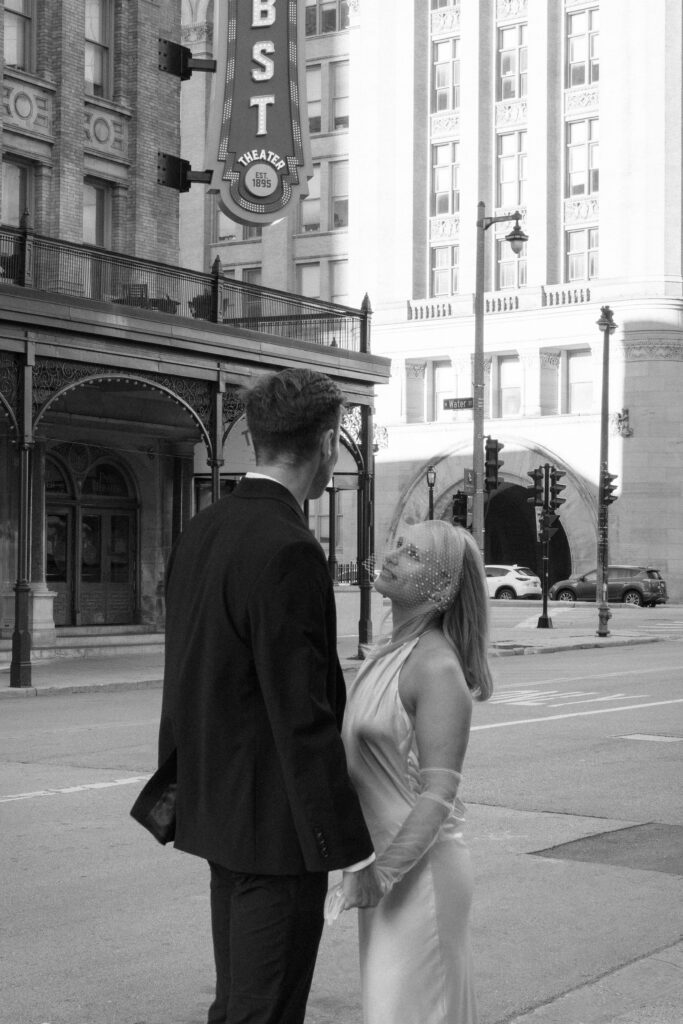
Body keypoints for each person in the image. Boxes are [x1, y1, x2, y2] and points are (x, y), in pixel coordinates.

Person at [158, 368, 381, 1024]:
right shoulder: (289, 547)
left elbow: (186, 673)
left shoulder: (202, 530)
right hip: (276, 832)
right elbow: (302, 710)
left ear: (253, 440)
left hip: (217, 810)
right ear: (326, 447)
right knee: (263, 1012)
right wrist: (350, 848)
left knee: (238, 1007)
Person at [326, 519, 493, 1024]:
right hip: (384, 870)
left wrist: (382, 872)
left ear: (442, 588)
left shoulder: (436, 668)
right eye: (398, 545)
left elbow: (439, 794)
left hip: (416, 877)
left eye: (414, 554)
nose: (393, 556)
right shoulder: (389, 654)